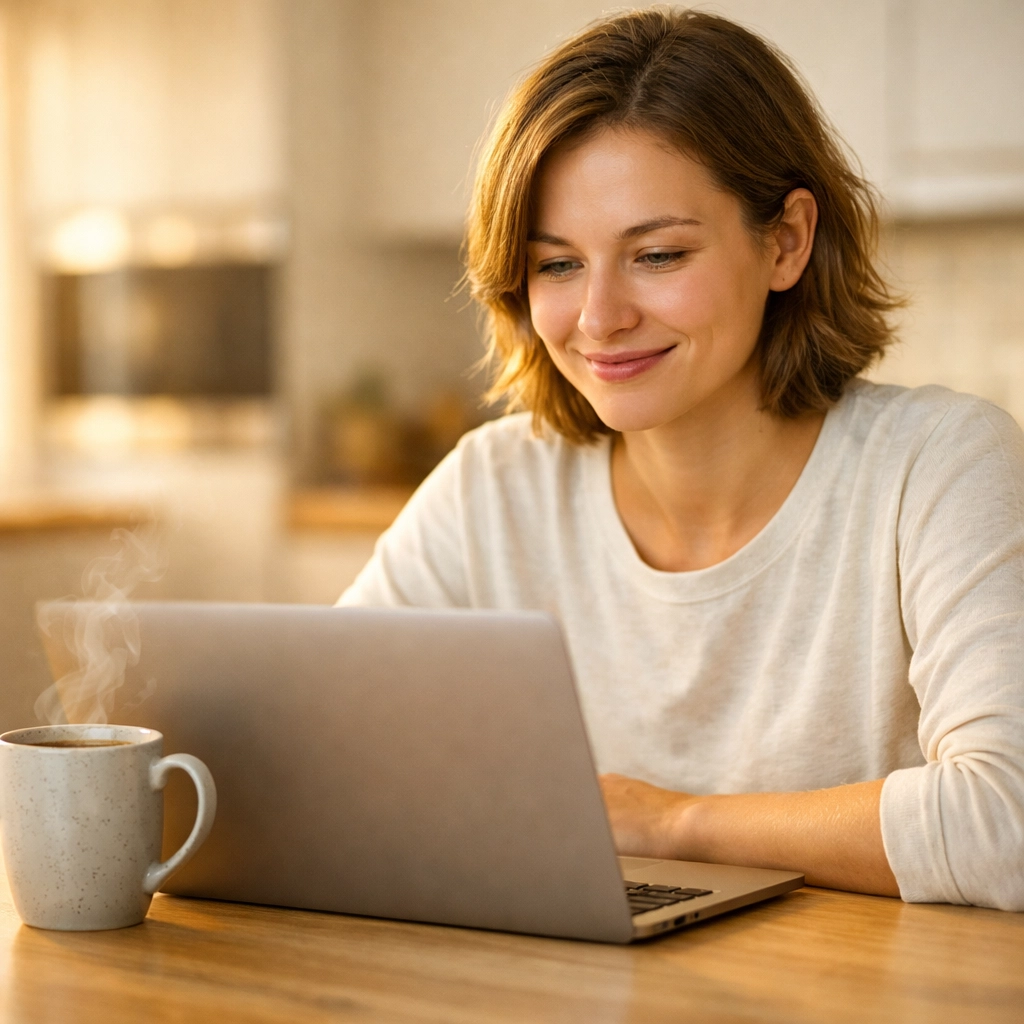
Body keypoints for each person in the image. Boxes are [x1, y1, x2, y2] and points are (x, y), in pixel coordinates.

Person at [339, 8, 1024, 911]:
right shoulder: (492, 488)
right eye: (557, 266)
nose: (599, 317)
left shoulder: (937, 467)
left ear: (786, 241)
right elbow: (325, 750)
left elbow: (1006, 824)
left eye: (657, 254)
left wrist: (671, 824)